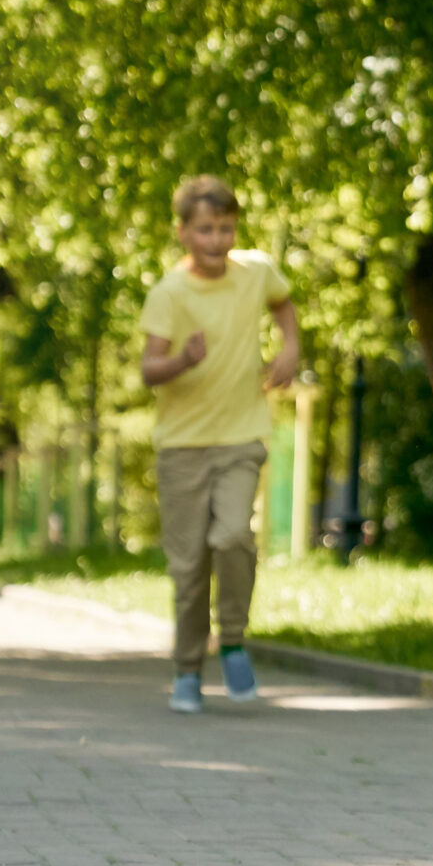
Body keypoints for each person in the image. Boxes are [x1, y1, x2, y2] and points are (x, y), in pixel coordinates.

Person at [139, 176, 301, 712]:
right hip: (182, 446)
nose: (216, 240)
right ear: (183, 232)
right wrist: (182, 359)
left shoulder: (255, 272)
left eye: (225, 228)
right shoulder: (169, 293)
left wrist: (290, 347)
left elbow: (283, 303)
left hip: (240, 434)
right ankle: (187, 669)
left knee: (233, 537)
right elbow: (148, 369)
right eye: (205, 230)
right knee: (188, 566)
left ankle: (231, 640)